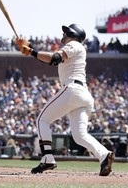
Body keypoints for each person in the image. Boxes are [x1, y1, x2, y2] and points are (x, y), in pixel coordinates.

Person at [16, 23, 114, 176]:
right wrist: (30, 48)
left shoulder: (74, 44)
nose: (63, 35)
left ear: (73, 35)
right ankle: (104, 155)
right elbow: (50, 60)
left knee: (42, 120)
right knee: (80, 135)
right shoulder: (75, 50)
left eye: (66, 32)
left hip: (73, 90)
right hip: (83, 95)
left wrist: (31, 51)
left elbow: (54, 58)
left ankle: (47, 158)